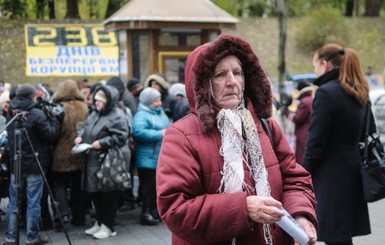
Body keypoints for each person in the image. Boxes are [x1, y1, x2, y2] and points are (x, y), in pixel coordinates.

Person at [156, 34, 317, 244]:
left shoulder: (266, 126)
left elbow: (295, 179)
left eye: (238, 73)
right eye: (220, 74)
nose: (232, 82)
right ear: (203, 83)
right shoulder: (180, 136)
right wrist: (243, 208)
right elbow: (175, 209)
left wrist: (301, 215)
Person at [302, 44, 371, 245]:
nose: (315, 70)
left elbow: (316, 142)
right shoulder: (359, 90)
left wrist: (302, 173)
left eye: (315, 65)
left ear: (324, 64)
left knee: (335, 236)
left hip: (330, 177)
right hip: (352, 171)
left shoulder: (326, 93)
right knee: (342, 237)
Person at [4, 83, 61, 245]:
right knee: (33, 202)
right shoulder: (36, 113)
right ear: (32, 96)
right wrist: (55, 119)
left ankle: (10, 237)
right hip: (35, 165)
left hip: (16, 163)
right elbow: (49, 135)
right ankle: (31, 237)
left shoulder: (11, 111)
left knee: (14, 202)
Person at [74, 85, 129, 240]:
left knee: (108, 195)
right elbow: (84, 128)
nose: (96, 103)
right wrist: (80, 137)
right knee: (95, 194)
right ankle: (99, 222)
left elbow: (121, 136)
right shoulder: (95, 114)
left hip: (107, 162)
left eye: (99, 101)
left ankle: (108, 226)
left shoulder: (117, 115)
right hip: (92, 160)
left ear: (108, 101)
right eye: (95, 100)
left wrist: (103, 142)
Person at [50, 79, 89, 228]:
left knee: (59, 184)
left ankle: (62, 215)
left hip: (61, 153)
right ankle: (79, 217)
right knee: (78, 186)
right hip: (79, 152)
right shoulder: (84, 107)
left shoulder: (58, 108)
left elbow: (54, 133)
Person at [132, 87, 170, 226]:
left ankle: (155, 212)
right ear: (148, 102)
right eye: (156, 100)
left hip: (159, 156)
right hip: (147, 158)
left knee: (157, 187)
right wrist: (159, 134)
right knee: (148, 188)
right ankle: (146, 213)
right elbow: (138, 132)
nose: (159, 103)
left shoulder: (159, 112)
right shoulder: (141, 115)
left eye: (159, 99)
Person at [285, 81, 314, 164]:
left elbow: (298, 118)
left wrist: (287, 112)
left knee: (301, 157)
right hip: (309, 131)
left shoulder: (304, 102)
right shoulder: (311, 99)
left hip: (302, 134)